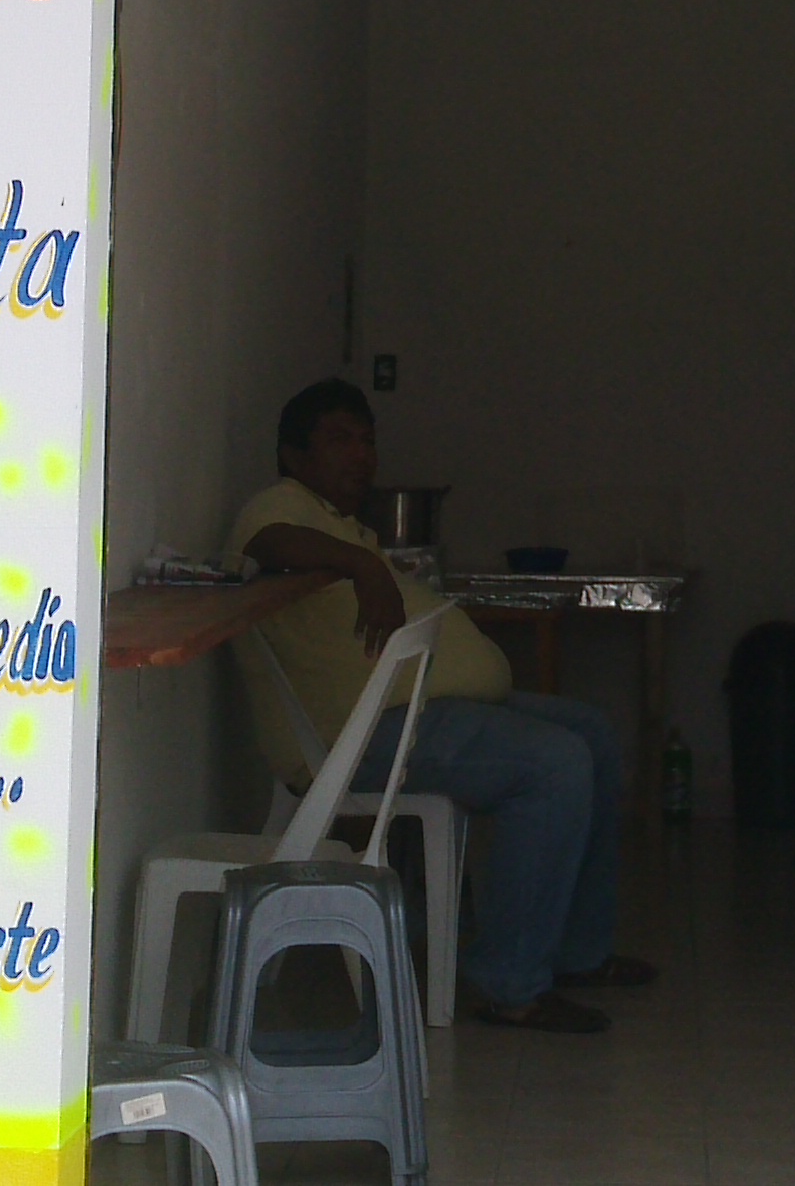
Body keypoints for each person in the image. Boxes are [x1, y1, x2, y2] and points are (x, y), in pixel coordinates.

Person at [230, 377, 657, 1033]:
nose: (360, 454)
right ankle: (508, 983)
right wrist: (363, 567)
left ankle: (576, 953)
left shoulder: (343, 524)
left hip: (414, 717)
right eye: (340, 439)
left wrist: (362, 559)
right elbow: (268, 544)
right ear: (293, 455)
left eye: (368, 440)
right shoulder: (279, 505)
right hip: (357, 738)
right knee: (554, 763)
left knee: (591, 733)